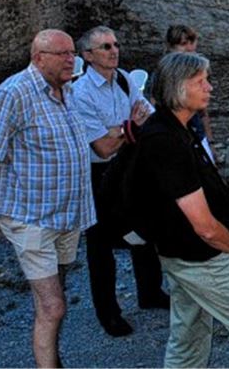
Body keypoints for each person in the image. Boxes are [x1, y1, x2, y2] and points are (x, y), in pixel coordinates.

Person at [138, 52, 229, 368]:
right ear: (177, 88)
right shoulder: (165, 139)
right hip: (199, 255)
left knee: (189, 335)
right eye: (200, 81)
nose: (210, 88)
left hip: (180, 252)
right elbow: (203, 225)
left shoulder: (173, 128)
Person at [0, 29, 95, 368]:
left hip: (67, 215)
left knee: (53, 301)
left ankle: (52, 357)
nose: (72, 59)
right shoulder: (12, 94)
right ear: (38, 58)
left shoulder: (66, 89)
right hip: (31, 216)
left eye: (73, 53)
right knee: (54, 305)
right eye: (62, 54)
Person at [69, 26, 168, 337]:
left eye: (115, 44)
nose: (114, 50)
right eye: (105, 47)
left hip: (129, 166)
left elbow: (147, 118)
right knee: (100, 246)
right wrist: (128, 128)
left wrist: (120, 129)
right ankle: (108, 313)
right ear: (87, 55)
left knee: (145, 228)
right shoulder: (81, 92)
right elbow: (102, 146)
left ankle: (150, 292)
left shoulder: (124, 79)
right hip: (98, 174)